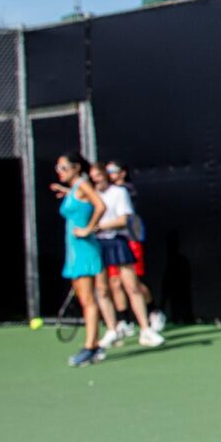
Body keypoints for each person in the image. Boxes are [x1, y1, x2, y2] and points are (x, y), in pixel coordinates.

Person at [91, 162, 163, 349]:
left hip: (120, 241)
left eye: (98, 175)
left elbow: (124, 219)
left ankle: (146, 328)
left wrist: (99, 226)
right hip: (98, 245)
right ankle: (113, 329)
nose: (95, 179)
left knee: (132, 285)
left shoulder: (121, 191)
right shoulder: (90, 195)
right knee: (104, 288)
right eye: (92, 176)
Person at [51, 155, 110, 367]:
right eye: (58, 167)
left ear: (76, 168)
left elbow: (100, 205)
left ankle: (91, 347)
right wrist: (66, 191)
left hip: (84, 249)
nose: (60, 170)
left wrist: (88, 228)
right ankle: (93, 345)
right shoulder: (76, 187)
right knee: (85, 300)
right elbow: (80, 200)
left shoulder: (83, 184)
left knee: (88, 300)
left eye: (64, 167)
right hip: (73, 251)